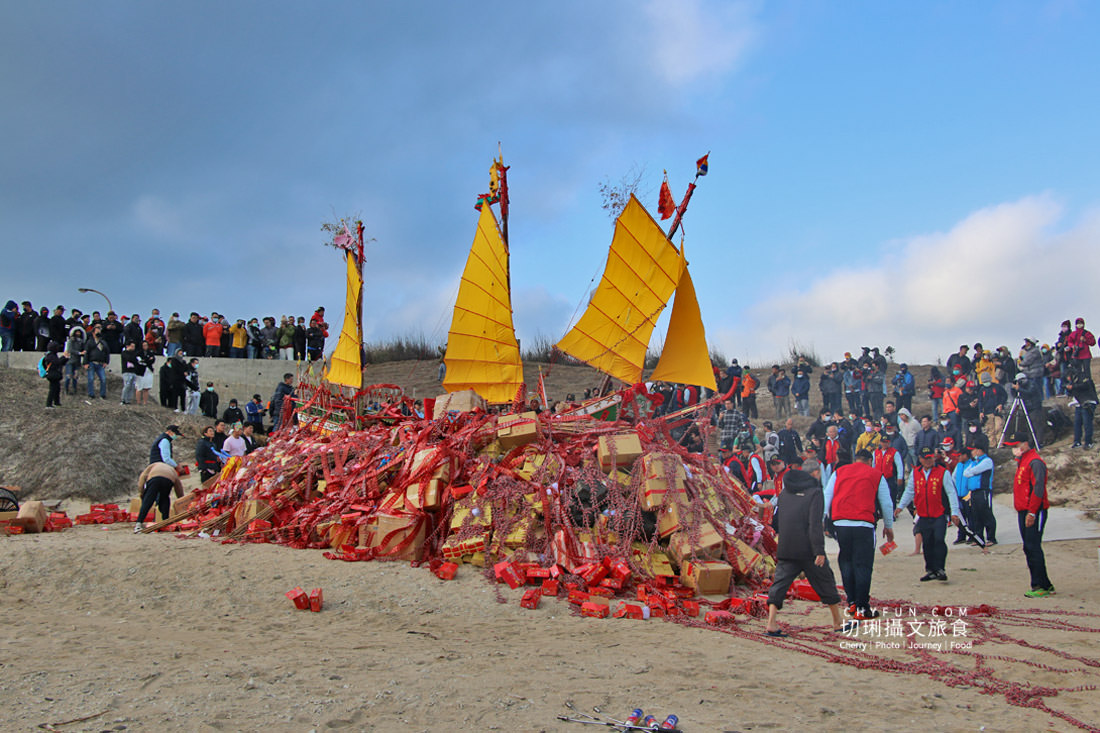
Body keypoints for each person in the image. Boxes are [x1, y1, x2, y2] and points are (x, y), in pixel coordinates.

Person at [764, 459, 846, 636]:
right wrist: (819, 551)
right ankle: (837, 622)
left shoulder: (784, 494)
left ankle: (771, 623)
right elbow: (814, 524)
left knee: (779, 584)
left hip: (786, 547)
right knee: (825, 582)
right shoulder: (815, 493)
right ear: (815, 474)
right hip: (808, 549)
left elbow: (778, 521)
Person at [824, 450, 895, 620]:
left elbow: (827, 495)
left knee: (846, 561)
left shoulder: (839, 472)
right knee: (862, 564)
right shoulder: (876, 475)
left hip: (841, 523)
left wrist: (823, 518)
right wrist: (888, 526)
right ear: (870, 461)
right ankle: (863, 606)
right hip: (863, 523)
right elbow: (886, 503)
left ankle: (852, 602)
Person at [895, 447, 961, 582]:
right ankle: (930, 570)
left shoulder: (943, 472)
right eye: (925, 458)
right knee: (927, 543)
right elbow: (910, 491)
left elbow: (951, 492)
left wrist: (954, 512)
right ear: (920, 459)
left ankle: (940, 568)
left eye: (930, 458)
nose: (928, 461)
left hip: (938, 514)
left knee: (938, 540)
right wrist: (900, 506)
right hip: (923, 514)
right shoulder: (916, 473)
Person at [1006, 436, 1054, 597]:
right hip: (1023, 510)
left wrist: (1032, 512)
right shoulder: (1023, 461)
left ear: (1025, 444)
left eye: (1016, 445)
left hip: (1034, 510)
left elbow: (1038, 488)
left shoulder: (1035, 462)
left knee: (1033, 547)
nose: (1014, 449)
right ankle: (1044, 583)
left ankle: (1040, 585)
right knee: (1029, 547)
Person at [133, 461, 184, 533]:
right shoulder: (172, 470)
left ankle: (139, 523)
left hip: (154, 478)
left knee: (148, 500)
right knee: (164, 499)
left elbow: (142, 477)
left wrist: (141, 493)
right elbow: (178, 487)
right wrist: (181, 499)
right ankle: (166, 522)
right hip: (168, 479)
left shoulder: (153, 465)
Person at [961, 440, 996, 546]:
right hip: (974, 492)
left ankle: (991, 538)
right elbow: (966, 473)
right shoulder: (974, 462)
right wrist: (972, 471)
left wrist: (973, 471)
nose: (972, 453)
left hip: (984, 491)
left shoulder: (987, 461)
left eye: (973, 450)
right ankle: (979, 537)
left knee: (986, 513)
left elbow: (974, 471)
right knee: (976, 515)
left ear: (979, 450)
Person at [1065, 369, 1098, 449]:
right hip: (1079, 404)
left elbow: (1086, 385)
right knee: (1077, 423)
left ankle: (1088, 442)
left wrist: (1073, 386)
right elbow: (1071, 393)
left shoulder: (1083, 377)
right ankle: (1077, 442)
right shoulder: (1072, 382)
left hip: (1088, 402)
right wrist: (1068, 389)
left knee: (1087, 423)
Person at [43, 341, 68, 408]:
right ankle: (49, 404)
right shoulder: (50, 356)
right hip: (52, 375)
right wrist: (64, 357)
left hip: (55, 374)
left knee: (57, 389)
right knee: (53, 389)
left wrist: (65, 358)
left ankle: (56, 402)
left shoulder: (52, 355)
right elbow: (58, 362)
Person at [62, 326, 85, 395]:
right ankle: (66, 390)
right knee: (68, 376)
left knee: (75, 377)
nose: (78, 334)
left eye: (79, 332)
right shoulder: (71, 340)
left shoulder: (81, 342)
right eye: (77, 332)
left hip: (77, 362)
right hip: (70, 361)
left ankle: (74, 390)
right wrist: (79, 353)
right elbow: (70, 350)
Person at [137, 341, 156, 405]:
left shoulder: (150, 352)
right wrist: (147, 359)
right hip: (140, 371)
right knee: (139, 387)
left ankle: (145, 402)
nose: (145, 347)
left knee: (146, 387)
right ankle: (138, 402)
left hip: (148, 370)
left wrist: (146, 360)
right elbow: (140, 361)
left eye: (146, 345)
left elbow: (152, 360)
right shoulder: (138, 353)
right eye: (144, 345)